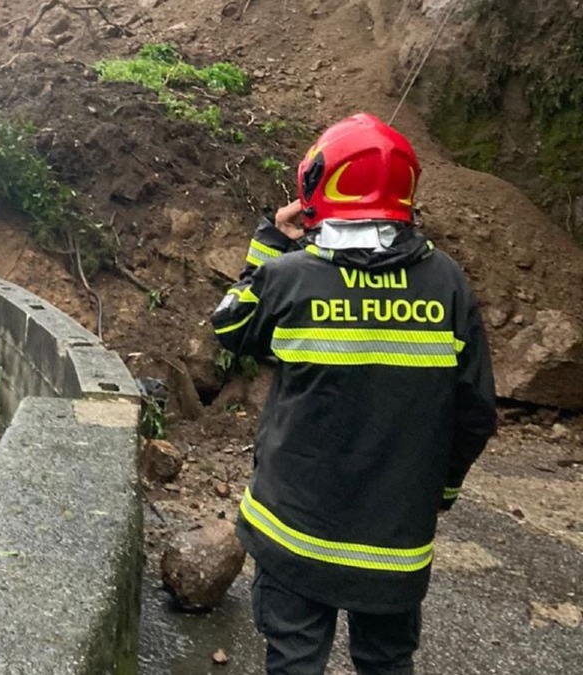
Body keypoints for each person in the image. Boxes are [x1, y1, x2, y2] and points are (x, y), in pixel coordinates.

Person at [211, 113, 497, 674]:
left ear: (321, 184)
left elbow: (229, 327)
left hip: (291, 531)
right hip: (396, 540)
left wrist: (270, 241)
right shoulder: (447, 283)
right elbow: (476, 411)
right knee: (387, 662)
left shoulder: (290, 277)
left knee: (294, 659)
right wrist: (442, 490)